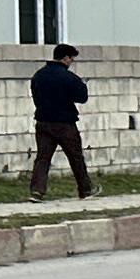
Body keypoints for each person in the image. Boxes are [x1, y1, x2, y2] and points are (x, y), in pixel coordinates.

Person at [25, 42, 91, 200]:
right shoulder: (68, 77)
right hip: (64, 123)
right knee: (75, 157)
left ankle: (37, 191)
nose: (71, 62)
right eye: (71, 59)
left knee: (43, 158)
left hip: (43, 122)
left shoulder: (39, 75)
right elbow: (82, 97)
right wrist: (83, 85)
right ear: (66, 58)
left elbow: (35, 95)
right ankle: (85, 189)